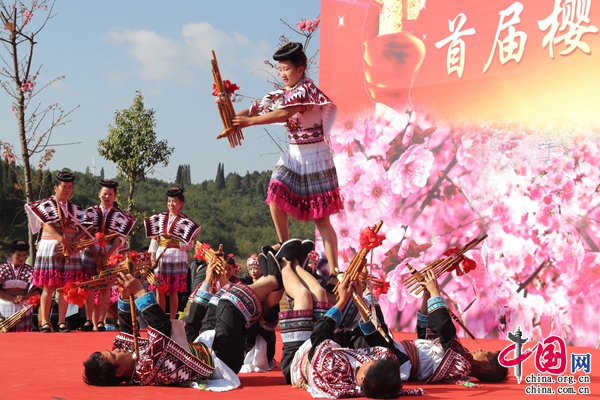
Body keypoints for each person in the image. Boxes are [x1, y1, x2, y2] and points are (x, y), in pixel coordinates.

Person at [83, 254, 283, 389]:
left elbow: (127, 327)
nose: (117, 348)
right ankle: (275, 278)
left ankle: (273, 287)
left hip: (205, 344)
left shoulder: (128, 355)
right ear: (119, 371)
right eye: (114, 355)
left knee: (216, 300)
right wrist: (140, 291)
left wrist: (126, 296)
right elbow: (162, 328)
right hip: (223, 361)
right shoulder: (146, 371)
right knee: (228, 302)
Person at [232, 41, 344, 275]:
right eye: (280, 69)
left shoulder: (306, 91)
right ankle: (285, 243)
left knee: (321, 218)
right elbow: (254, 109)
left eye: (286, 69)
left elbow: (284, 113)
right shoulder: (282, 93)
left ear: (300, 69)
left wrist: (248, 123)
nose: (282, 74)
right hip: (293, 154)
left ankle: (335, 271)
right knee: (275, 194)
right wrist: (231, 119)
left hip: (314, 155)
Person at [268, 240, 401, 399]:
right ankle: (296, 262)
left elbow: (318, 337)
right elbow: (376, 337)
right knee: (320, 292)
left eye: (372, 362)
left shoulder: (332, 371)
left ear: (361, 379)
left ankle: (284, 263)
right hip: (320, 345)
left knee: (303, 296)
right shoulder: (381, 369)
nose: (374, 358)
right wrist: (359, 297)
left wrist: (341, 301)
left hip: (297, 359)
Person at [347, 270, 509, 384]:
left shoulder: (462, 365)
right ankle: (364, 294)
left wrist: (435, 292)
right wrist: (427, 295)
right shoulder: (460, 357)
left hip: (398, 360)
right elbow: (429, 336)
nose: (480, 350)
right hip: (398, 351)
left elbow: (446, 332)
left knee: (378, 330)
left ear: (486, 366)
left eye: (485, 353)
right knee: (379, 329)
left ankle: (363, 294)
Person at [24, 171, 89, 333]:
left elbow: (87, 227)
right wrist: (62, 239)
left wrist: (73, 242)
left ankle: (61, 321)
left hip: (71, 248)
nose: (67, 190)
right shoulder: (46, 206)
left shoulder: (75, 208)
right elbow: (45, 224)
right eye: (64, 187)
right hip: (52, 246)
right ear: (55, 187)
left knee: (66, 287)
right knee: (49, 286)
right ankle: (45, 321)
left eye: (70, 187)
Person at [79, 179, 137, 331]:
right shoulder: (90, 212)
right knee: (90, 285)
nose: (107, 197)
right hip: (91, 250)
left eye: (110, 194)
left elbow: (120, 239)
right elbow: (85, 235)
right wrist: (95, 254)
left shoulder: (121, 215)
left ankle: (101, 321)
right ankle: (89, 320)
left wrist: (108, 254)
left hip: (111, 253)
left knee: (106, 286)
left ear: (114, 196)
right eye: (104, 193)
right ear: (99, 195)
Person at [145, 187, 200, 319]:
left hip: (177, 257)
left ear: (181, 203)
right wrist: (152, 257)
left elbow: (190, 245)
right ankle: (161, 318)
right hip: (161, 257)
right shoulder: (160, 218)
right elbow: (154, 239)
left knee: (173, 290)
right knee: (159, 289)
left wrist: (174, 244)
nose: (171, 204)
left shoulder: (186, 223)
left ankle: (172, 319)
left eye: (174, 201)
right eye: (169, 201)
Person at [0, 240, 39, 332]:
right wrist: (12, 298)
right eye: (18, 255)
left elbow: (36, 291)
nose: (22, 258)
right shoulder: (2, 269)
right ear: (11, 254)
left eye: (24, 255)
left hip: (23, 308)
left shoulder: (31, 270)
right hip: (4, 305)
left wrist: (24, 297)